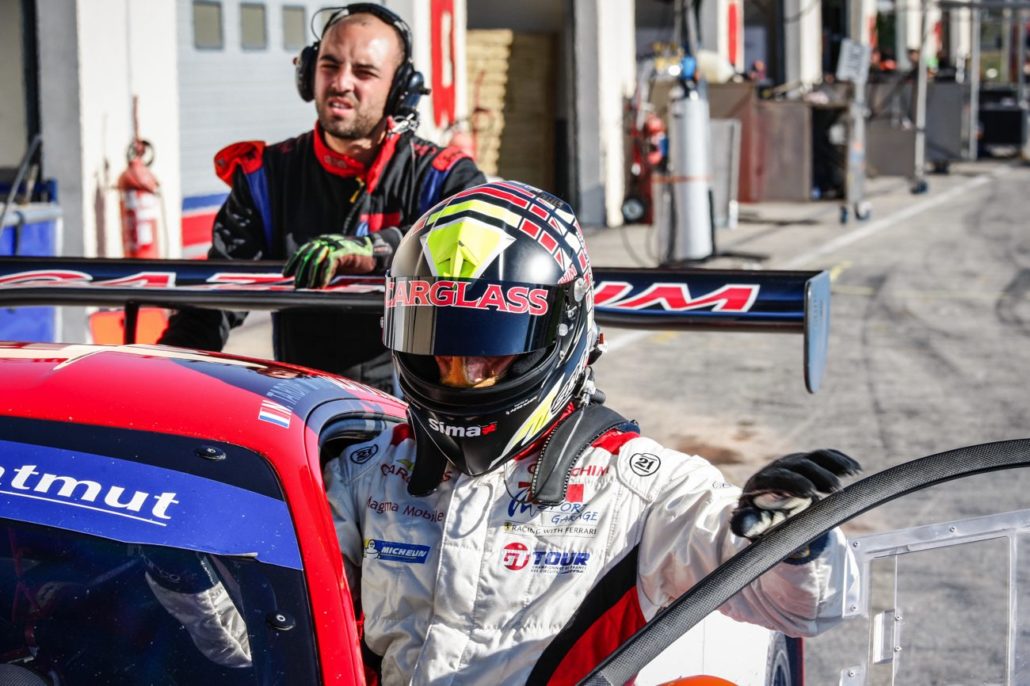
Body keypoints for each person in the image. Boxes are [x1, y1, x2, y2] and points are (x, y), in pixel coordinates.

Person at [320, 180, 862, 683]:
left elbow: (809, 606)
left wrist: (799, 542)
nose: (462, 374)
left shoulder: (639, 487)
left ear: (560, 333)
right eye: (440, 349)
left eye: (489, 350)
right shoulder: (367, 473)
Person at [158, 3, 486, 391]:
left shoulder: (443, 175)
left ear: (400, 90)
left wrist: (376, 250)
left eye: (364, 72)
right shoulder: (265, 176)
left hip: (411, 413)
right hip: (298, 407)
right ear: (308, 72)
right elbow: (213, 305)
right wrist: (157, 377)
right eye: (330, 65)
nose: (341, 82)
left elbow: (477, 250)